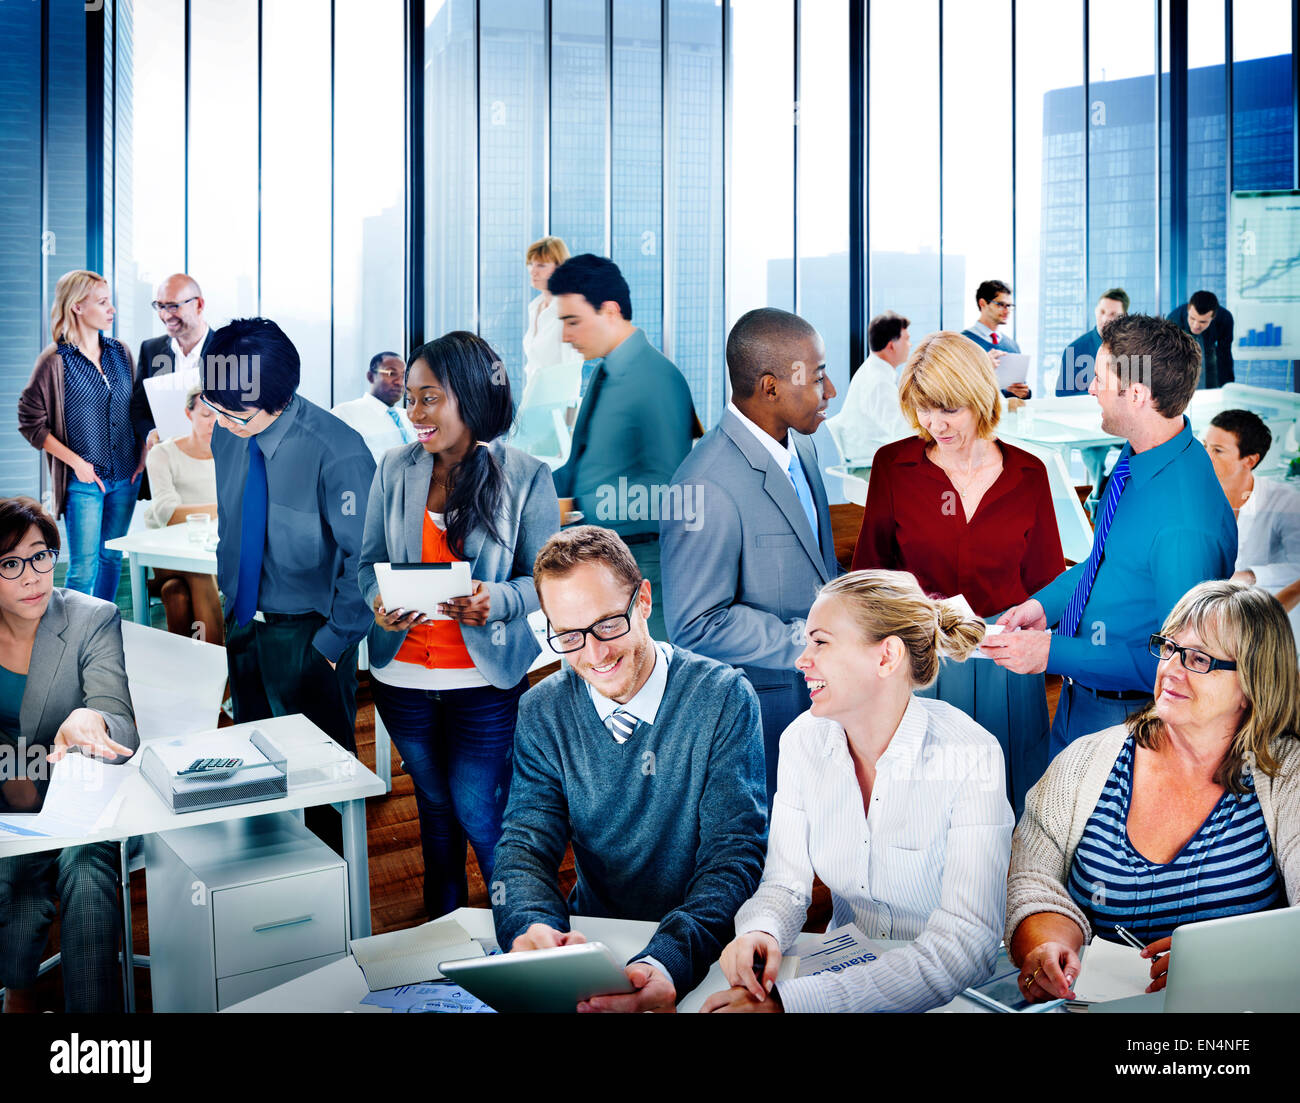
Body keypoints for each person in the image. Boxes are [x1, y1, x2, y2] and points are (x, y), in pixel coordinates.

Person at [701, 570, 1013, 1014]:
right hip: (836, 975)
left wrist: (793, 1004)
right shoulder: (801, 741)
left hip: (951, 999)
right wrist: (761, 931)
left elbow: (966, 942)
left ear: (887, 657)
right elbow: (785, 886)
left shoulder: (972, 754)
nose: (802, 660)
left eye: (821, 642)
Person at [491, 526, 767, 1012]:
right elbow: (525, 844)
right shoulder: (542, 710)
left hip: (704, 952)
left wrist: (667, 960)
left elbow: (733, 857)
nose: (594, 654)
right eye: (569, 635)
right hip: (593, 940)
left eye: (608, 624)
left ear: (643, 601)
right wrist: (532, 925)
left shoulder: (723, 697)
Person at [1008, 580, 1300, 1004]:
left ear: (1253, 683)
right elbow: (1033, 879)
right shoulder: (1085, 761)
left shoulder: (1287, 775)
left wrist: (1225, 963)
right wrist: (1048, 945)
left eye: (1199, 659)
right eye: (1169, 648)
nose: (1171, 670)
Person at [357, 331, 559, 918]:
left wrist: (500, 599)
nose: (415, 413)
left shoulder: (526, 475)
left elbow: (547, 579)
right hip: (402, 678)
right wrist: (378, 601)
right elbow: (367, 563)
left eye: (430, 398)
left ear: (470, 397)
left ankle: (523, 934)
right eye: (410, 399)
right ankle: (441, 934)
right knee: (435, 808)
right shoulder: (394, 467)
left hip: (483, 681)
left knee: (481, 812)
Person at [982, 314, 1237, 757]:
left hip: (1129, 722)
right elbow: (1105, 561)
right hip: (1082, 699)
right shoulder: (1140, 454)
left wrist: (1051, 653)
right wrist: (1043, 606)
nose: (1090, 388)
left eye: (1100, 378)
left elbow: (1180, 663)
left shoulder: (1184, 525)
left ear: (1136, 394)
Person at [850, 331, 1063, 817]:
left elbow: (1048, 583)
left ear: (980, 398)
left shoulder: (1029, 473)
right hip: (923, 662)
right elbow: (869, 578)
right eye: (923, 408)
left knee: (1010, 806)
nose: (934, 424)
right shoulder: (893, 466)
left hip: (1006, 668)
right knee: (923, 812)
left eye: (949, 409)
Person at [203, 318, 375, 848]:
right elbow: (233, 518)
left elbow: (367, 558)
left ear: (279, 398)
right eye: (214, 406)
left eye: (236, 413)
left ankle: (338, 885)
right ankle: (268, 874)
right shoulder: (228, 431)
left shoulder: (338, 450)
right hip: (243, 622)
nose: (223, 422)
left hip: (309, 633)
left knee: (322, 782)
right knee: (255, 768)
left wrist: (332, 644)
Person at [661, 308, 839, 806]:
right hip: (764, 715)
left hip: (824, 704)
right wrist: (814, 644)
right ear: (770, 387)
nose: (830, 391)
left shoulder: (802, 449)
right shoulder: (702, 484)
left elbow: (815, 569)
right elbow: (697, 624)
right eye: (818, 377)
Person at [0, 497, 138, 1013]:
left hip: (79, 796)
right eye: (10, 564)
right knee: (15, 871)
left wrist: (91, 719)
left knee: (86, 865)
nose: (31, 576)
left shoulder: (91, 618)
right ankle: (18, 992)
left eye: (40, 556)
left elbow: (121, 723)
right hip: (8, 799)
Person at [549, 254, 695, 641]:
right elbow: (581, 464)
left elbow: (669, 488)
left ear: (610, 311)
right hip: (604, 559)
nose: (565, 336)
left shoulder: (656, 378)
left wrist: (583, 509)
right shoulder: (605, 371)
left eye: (573, 321)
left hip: (641, 566)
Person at [17, 270, 142, 601]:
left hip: (126, 476)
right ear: (77, 306)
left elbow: (137, 408)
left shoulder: (120, 352)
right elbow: (30, 421)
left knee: (111, 559)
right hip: (83, 481)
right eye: (102, 302)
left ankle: (104, 626)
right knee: (84, 568)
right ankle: (75, 630)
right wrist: (77, 463)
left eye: (110, 301)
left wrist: (143, 454)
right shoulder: (55, 360)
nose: (111, 309)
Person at [1204, 409, 1300, 648]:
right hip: (1216, 623)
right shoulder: (1198, 498)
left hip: (1271, 629)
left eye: (1217, 450)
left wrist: (1248, 576)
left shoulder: (1285, 502)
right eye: (1205, 446)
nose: (1206, 456)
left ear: (1249, 460)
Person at [142, 384, 223, 645]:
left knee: (175, 594)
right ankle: (219, 666)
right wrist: (222, 508)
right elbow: (168, 514)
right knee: (198, 572)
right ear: (189, 414)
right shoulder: (163, 454)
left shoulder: (233, 454)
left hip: (211, 554)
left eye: (221, 414)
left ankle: (187, 668)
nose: (214, 422)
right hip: (167, 557)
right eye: (206, 414)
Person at [132, 273, 215, 467]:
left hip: (214, 464)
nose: (166, 315)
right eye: (160, 306)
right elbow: (138, 407)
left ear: (199, 305)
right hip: (169, 464)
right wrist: (150, 433)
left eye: (173, 306)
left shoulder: (231, 350)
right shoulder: (151, 350)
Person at [834, 310, 913, 464]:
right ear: (891, 346)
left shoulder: (876, 372)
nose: (910, 345)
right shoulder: (878, 381)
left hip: (876, 459)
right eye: (906, 339)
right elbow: (902, 431)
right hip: (871, 465)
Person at [521, 235, 583, 391]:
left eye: (541, 266)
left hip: (556, 399)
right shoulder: (535, 307)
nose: (533, 271)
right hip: (533, 396)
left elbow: (571, 369)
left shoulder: (569, 310)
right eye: (531, 264)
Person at [330, 351, 416, 463]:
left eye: (404, 376)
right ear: (371, 377)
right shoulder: (344, 413)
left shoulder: (408, 416)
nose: (400, 382)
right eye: (391, 373)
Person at [961, 278, 1031, 399]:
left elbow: (1011, 394)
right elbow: (956, 389)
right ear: (983, 303)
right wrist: (984, 368)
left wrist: (1024, 393)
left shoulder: (1011, 345)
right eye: (1001, 305)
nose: (1007, 311)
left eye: (1009, 306)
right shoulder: (962, 342)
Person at [1056, 287, 1129, 396]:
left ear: (1124, 316)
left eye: (1113, 314)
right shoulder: (1073, 350)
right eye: (1102, 312)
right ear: (1095, 311)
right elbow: (1063, 397)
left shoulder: (1135, 347)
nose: (1105, 319)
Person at [1168, 289, 1234, 390]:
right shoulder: (1174, 319)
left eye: (1202, 322)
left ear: (1213, 317)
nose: (1195, 325)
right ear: (1188, 310)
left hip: (1209, 351)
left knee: (1213, 386)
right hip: (1182, 355)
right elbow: (1167, 357)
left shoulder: (1225, 319)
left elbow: (1225, 354)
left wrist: (1227, 387)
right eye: (1192, 318)